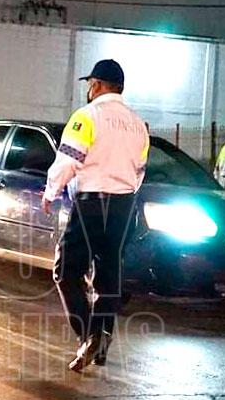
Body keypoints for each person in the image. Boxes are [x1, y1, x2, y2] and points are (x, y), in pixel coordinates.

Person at [42, 59, 149, 372]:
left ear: (98, 85)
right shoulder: (138, 125)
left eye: (90, 84)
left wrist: (51, 191)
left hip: (91, 203)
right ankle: (99, 344)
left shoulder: (87, 116)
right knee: (109, 275)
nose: (89, 90)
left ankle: (89, 335)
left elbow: (68, 160)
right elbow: (140, 170)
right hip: (124, 204)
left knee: (66, 271)